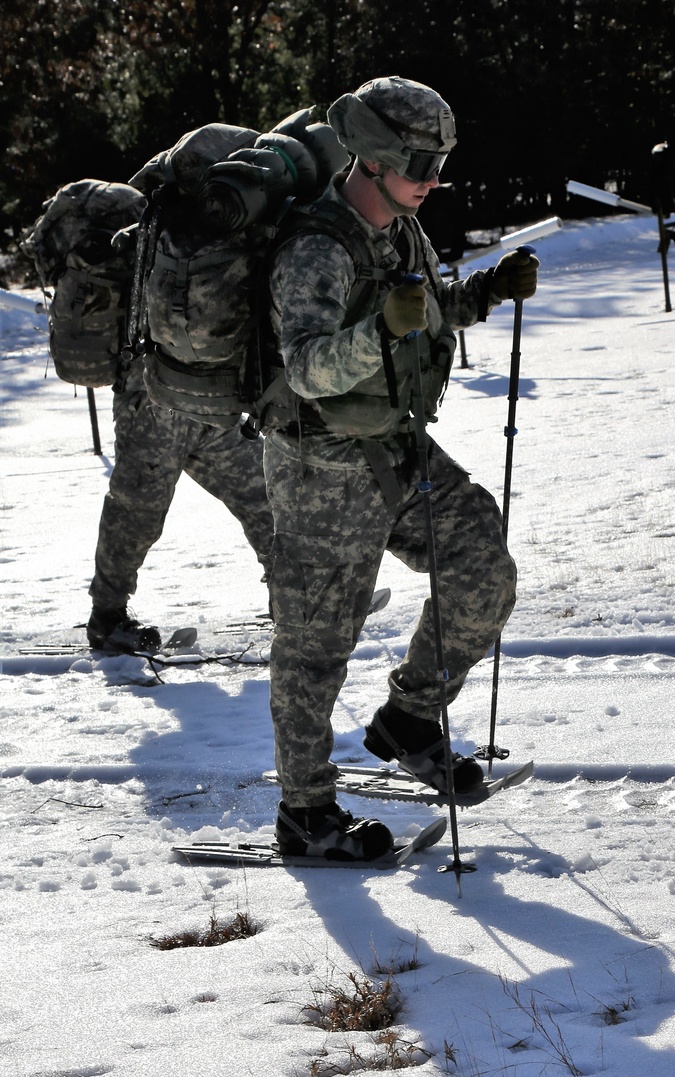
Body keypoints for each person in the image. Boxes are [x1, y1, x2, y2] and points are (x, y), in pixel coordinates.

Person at [262, 75, 537, 861]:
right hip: (320, 465)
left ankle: (410, 718)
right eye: (420, 161)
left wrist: (484, 291)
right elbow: (310, 369)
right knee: (316, 645)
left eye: (441, 161)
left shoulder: (400, 227)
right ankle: (306, 814)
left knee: (483, 566)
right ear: (375, 159)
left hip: (391, 443)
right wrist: (381, 330)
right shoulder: (316, 245)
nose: (433, 178)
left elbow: (420, 309)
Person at [86, 357, 275, 652]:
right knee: (136, 516)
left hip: (212, 400)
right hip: (152, 404)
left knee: (268, 492)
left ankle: (294, 598)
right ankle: (107, 619)